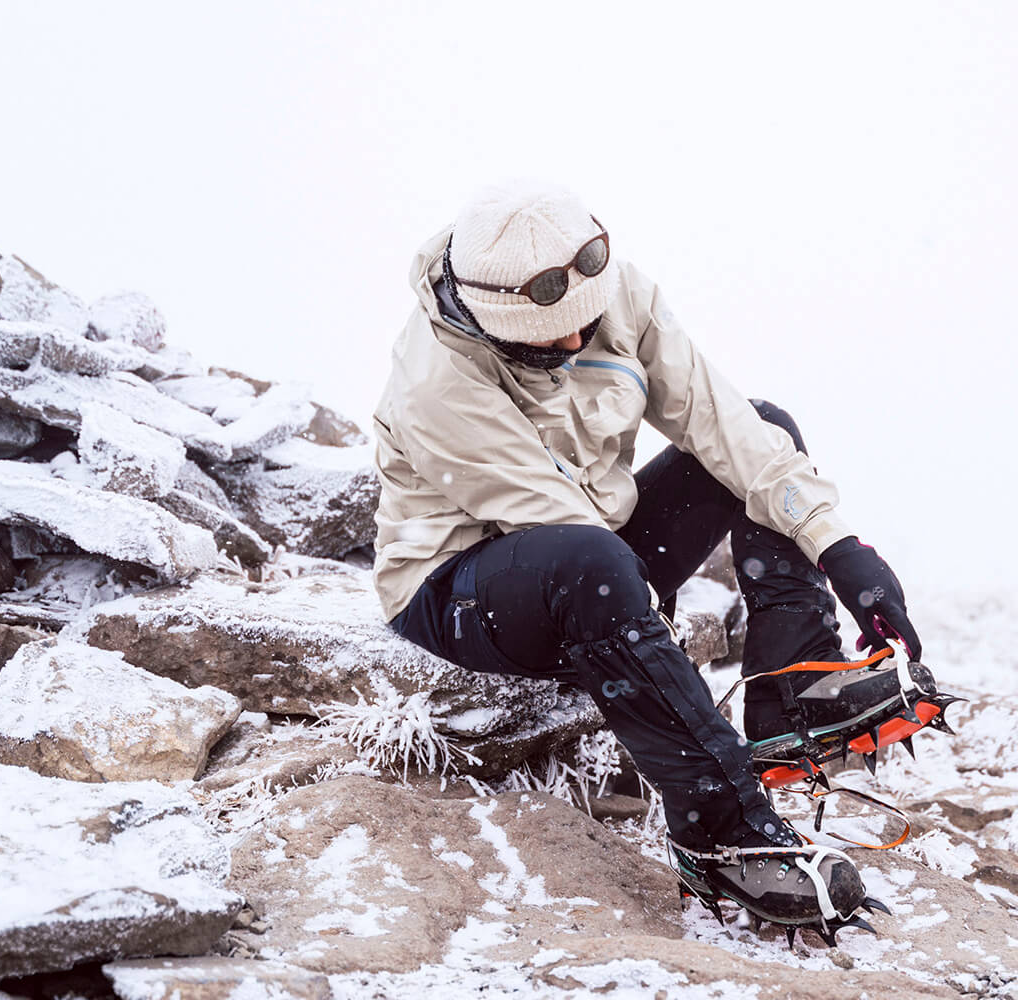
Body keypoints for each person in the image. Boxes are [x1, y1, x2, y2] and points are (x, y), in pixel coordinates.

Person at [371, 179, 935, 938]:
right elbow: (564, 528)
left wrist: (841, 551)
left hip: (592, 550)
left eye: (585, 322)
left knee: (767, 429)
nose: (576, 343)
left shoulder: (616, 293)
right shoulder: (437, 385)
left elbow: (726, 427)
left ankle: (786, 691)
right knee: (589, 562)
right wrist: (675, 686)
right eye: (549, 339)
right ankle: (720, 828)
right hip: (464, 588)